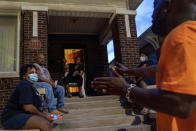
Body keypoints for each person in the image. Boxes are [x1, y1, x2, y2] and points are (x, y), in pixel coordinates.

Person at [92, 0, 196, 131]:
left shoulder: (182, 36)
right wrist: (130, 71)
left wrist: (125, 89)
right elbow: (158, 69)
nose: (152, 15)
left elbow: (181, 104)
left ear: (167, 5)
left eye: (154, 6)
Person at [1, 64, 53, 131]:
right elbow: (28, 108)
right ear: (24, 76)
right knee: (45, 124)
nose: (35, 75)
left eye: (35, 73)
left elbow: (36, 108)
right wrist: (43, 115)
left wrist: (45, 114)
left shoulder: (32, 88)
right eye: (31, 73)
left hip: (24, 116)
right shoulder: (24, 85)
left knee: (48, 120)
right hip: (12, 117)